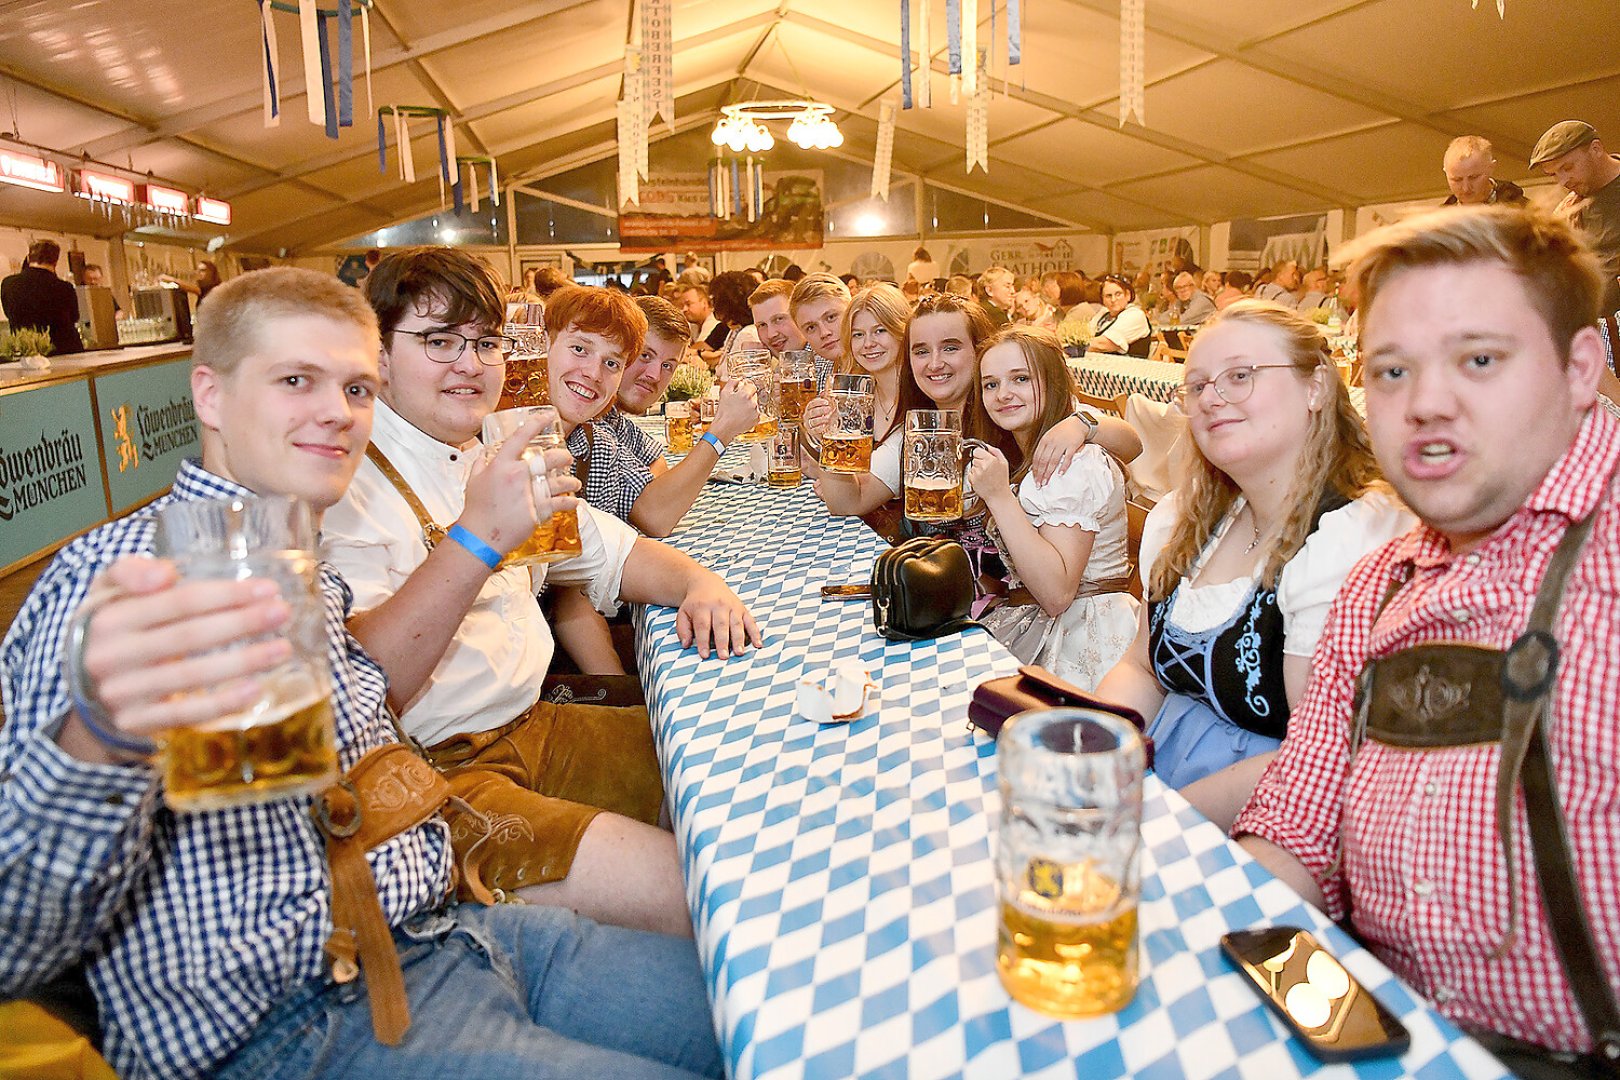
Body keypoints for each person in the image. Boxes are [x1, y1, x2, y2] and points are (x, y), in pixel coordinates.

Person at [0, 266, 724, 1080]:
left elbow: (320, 792)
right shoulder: (125, 574)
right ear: (209, 395)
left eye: (354, 388)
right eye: (294, 380)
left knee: (754, 1011)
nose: (335, 414)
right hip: (302, 1020)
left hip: (453, 935)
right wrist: (99, 736)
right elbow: (15, 939)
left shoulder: (300, 567)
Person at [1233, 205, 1620, 1075]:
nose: (1426, 404)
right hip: (1369, 1030)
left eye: (1480, 359)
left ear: (1580, 365)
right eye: (1393, 370)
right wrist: (1223, 941)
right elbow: (1298, 823)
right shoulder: (1382, 581)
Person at [322, 253, 761, 938]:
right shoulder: (343, 477)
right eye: (440, 341)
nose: (469, 363)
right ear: (378, 356)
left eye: (486, 342)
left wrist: (702, 583)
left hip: (536, 724)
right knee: (711, 894)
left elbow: (617, 551)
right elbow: (365, 689)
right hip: (437, 781)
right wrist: (478, 537)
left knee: (736, 772)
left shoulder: (492, 448)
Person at [1093, 299, 1412, 798]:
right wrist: (1099, 752)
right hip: (1156, 775)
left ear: (1317, 386)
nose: (1212, 398)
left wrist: (1145, 819)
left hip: (1269, 810)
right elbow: (1140, 667)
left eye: (1240, 376)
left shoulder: (1352, 536)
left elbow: (1321, 760)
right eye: (1196, 386)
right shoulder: (1187, 518)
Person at [970, 327, 1139, 689]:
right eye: (990, 384)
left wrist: (999, 497)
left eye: (1020, 379)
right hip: (1034, 616)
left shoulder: (1070, 463)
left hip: (1081, 632)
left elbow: (1057, 593)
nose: (1003, 394)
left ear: (1053, 382)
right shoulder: (1033, 448)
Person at [585, 294, 759, 537]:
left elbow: (657, 463)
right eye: (645, 355)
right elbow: (657, 517)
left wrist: (651, 494)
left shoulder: (612, 418)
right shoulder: (588, 421)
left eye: (668, 365)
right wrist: (721, 432)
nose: (655, 375)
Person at [1531, 120, 1620, 322]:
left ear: (1596, 149)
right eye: (1553, 174)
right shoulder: (1567, 210)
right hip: (1598, 331)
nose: (1563, 181)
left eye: (1568, 167)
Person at [1, 240, 83, 355]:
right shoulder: (64, 287)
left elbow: (8, 313)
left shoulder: (8, 284)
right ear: (55, 261)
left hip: (27, 352)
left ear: (29, 258)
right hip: (63, 350)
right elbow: (74, 317)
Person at [788, 272, 849, 389]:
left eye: (831, 317)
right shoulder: (822, 369)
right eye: (811, 327)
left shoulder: (880, 367)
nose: (824, 333)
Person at [1441, 135, 1526, 207]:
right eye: (1456, 180)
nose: (1466, 188)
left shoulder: (1526, 214)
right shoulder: (1439, 222)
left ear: (1491, 168)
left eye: (1473, 177)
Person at [1084, 275, 1152, 356]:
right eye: (1108, 296)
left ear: (1128, 295)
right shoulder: (1103, 314)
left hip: (1130, 367)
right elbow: (1084, 334)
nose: (1113, 300)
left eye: (1118, 294)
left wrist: (1074, 346)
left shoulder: (1135, 315)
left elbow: (1104, 344)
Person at [747, 278, 806, 358]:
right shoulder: (782, 366)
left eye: (779, 319)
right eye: (762, 325)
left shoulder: (824, 364)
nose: (771, 335)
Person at [677, 282, 721, 350]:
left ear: (704, 303)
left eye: (688, 304)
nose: (684, 309)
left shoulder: (715, 324)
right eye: (682, 306)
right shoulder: (694, 324)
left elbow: (697, 350)